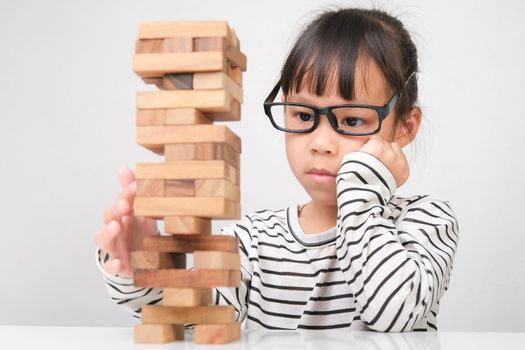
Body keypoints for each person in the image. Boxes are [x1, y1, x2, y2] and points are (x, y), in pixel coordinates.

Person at [93, 7, 459, 332]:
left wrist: (363, 192)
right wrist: (138, 268)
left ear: (405, 127)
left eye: (351, 120)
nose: (321, 142)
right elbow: (195, 316)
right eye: (303, 115)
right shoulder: (254, 240)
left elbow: (395, 315)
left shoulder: (425, 222)